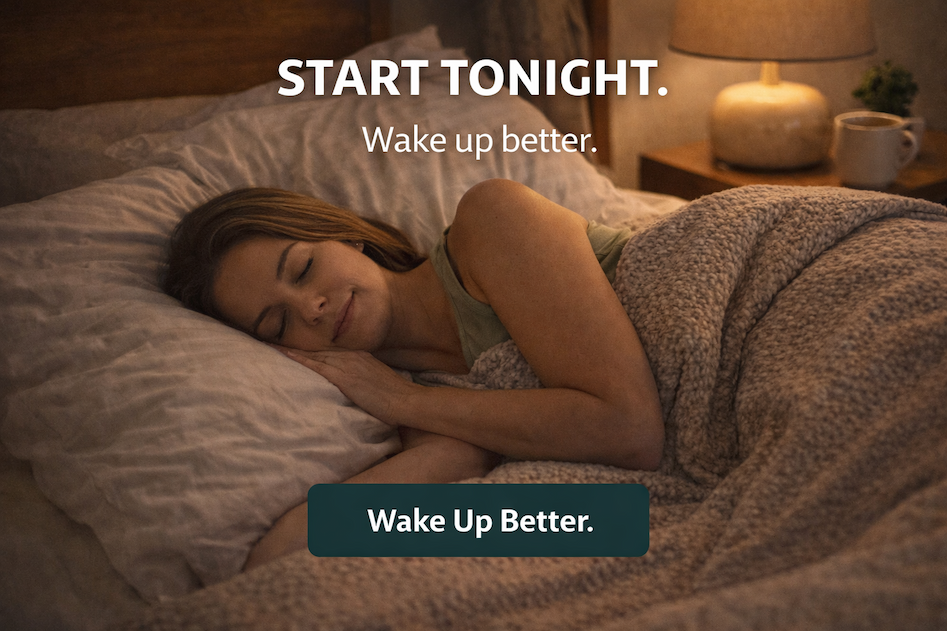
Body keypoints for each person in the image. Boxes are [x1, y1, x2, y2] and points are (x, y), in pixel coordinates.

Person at [165, 178, 664, 569]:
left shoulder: (492, 220)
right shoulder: (423, 405)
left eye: (303, 269)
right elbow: (302, 546)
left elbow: (630, 430)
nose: (311, 308)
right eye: (278, 323)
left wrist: (402, 399)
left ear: (346, 235)